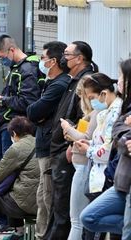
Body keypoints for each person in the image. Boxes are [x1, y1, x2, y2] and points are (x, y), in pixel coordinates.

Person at [44, 41, 98, 240]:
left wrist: (70, 143)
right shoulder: (72, 79)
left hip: (70, 152)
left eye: (67, 55)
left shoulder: (87, 80)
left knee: (65, 210)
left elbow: (85, 117)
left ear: (79, 58)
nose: (63, 58)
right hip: (60, 148)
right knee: (57, 204)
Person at [78, 59, 131, 239]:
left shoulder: (116, 109)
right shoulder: (118, 110)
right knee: (88, 218)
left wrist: (88, 150)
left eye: (122, 77)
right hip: (116, 177)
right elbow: (119, 133)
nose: (119, 82)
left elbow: (112, 145)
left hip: (111, 176)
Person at [26, 41, 70, 239]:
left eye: (42, 58)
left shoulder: (60, 84)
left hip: (50, 146)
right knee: (42, 197)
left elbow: (33, 111)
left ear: (52, 61)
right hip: (43, 143)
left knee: (48, 196)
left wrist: (37, 113)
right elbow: (35, 113)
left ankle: (45, 235)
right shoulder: (51, 83)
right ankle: (40, 234)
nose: (40, 62)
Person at [0, 34, 41, 172]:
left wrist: (1, 100)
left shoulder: (28, 70)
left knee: (9, 169)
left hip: (15, 125)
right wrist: (1, 101)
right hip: (3, 124)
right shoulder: (16, 67)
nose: (2, 61)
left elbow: (28, 102)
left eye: (2, 57)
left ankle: (8, 190)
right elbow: (15, 97)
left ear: (11, 50)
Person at [59, 75, 98, 240]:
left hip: (84, 167)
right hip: (81, 165)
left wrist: (68, 129)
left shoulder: (97, 113)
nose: (81, 100)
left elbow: (86, 138)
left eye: (83, 95)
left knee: (76, 220)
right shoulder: (92, 113)